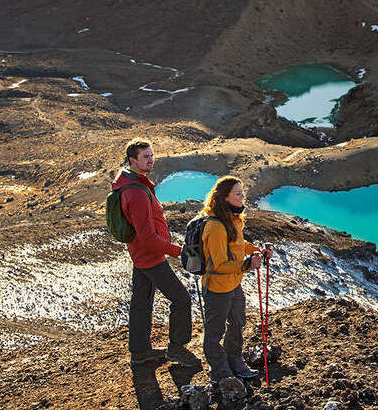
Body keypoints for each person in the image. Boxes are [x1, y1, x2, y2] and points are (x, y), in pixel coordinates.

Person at [112, 138, 200, 367]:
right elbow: (148, 237)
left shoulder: (133, 184)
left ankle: (139, 352)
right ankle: (176, 348)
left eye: (152, 155)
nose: (151, 160)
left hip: (141, 255)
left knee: (141, 302)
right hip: (150, 257)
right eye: (145, 157)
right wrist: (180, 251)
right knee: (181, 299)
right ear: (133, 160)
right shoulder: (137, 193)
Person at [198, 175, 272, 381]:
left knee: (238, 323)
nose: (243, 197)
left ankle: (235, 361)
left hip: (234, 284)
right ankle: (220, 371)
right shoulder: (215, 227)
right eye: (237, 194)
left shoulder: (233, 219)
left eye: (242, 193)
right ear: (225, 197)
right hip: (217, 288)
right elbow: (219, 264)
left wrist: (257, 250)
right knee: (215, 332)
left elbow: (239, 245)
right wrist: (247, 265)